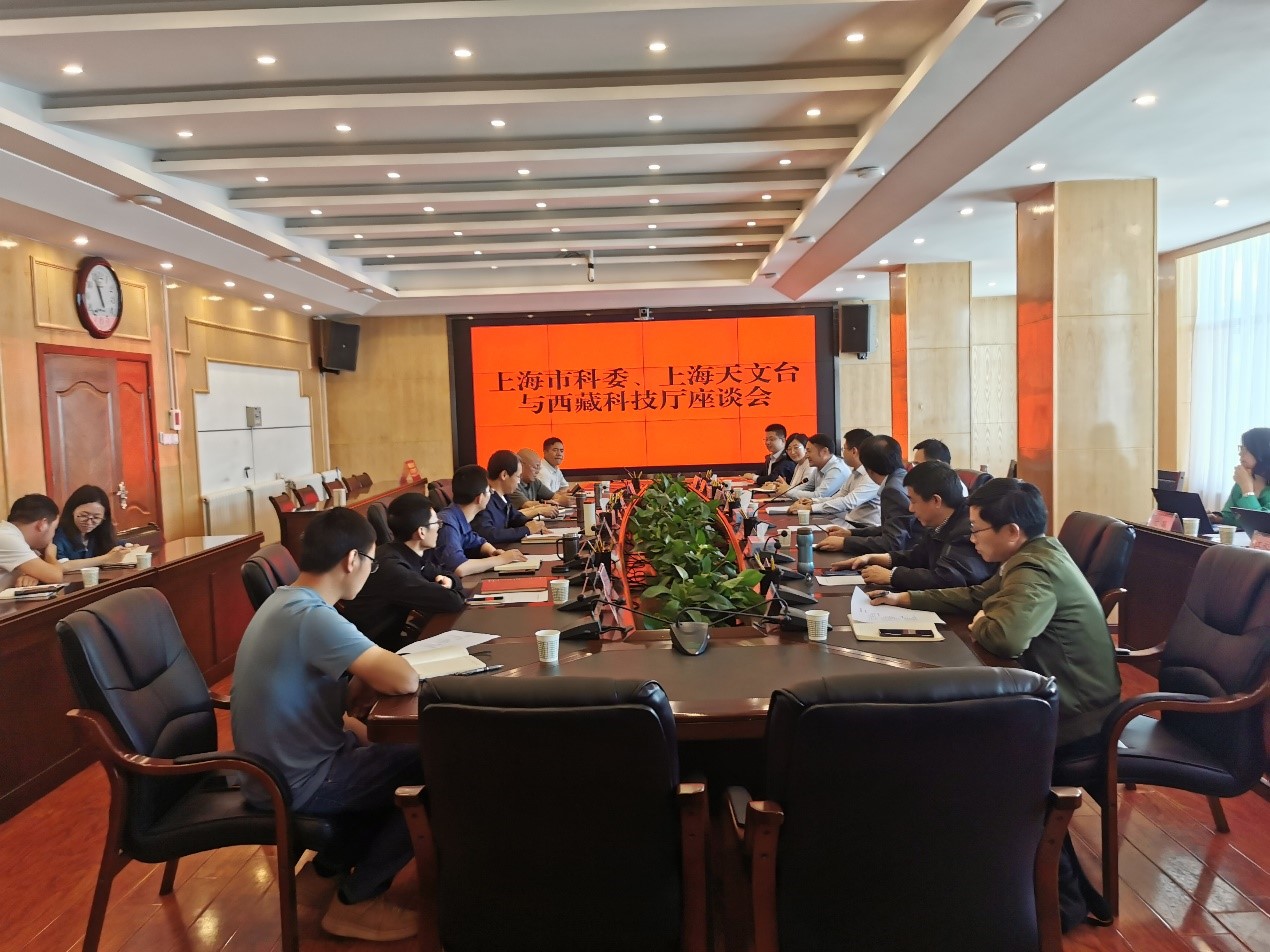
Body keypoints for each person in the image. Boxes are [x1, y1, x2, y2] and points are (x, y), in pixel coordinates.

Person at [230, 507, 422, 942]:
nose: (370, 572)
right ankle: (357, 901)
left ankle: (326, 873)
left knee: (396, 758)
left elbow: (341, 699)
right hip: (296, 781)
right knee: (439, 763)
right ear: (353, 560)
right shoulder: (310, 616)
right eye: (371, 562)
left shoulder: (285, 601)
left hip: (277, 771)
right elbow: (405, 679)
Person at [869, 478, 1120, 752]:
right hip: (1057, 695)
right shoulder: (1036, 551)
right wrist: (905, 598)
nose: (972, 538)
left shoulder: (1033, 570)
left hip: (1074, 717)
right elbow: (977, 595)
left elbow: (1005, 639)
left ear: (1012, 531)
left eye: (976, 529)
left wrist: (982, 622)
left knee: (944, 735)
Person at [832, 460, 993, 591]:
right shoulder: (941, 522)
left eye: (914, 501)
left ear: (936, 501)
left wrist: (892, 576)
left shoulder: (968, 528)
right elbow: (917, 556)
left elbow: (950, 579)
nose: (910, 508)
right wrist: (872, 558)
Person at [341, 493, 467, 649]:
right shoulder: (393, 569)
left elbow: (445, 573)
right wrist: (452, 584)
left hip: (384, 644)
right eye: (437, 523)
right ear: (421, 532)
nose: (439, 528)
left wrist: (450, 581)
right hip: (371, 651)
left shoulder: (401, 553)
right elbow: (453, 601)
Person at [814, 435, 915, 555]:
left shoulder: (892, 490)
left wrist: (845, 543)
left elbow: (892, 543)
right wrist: (851, 533)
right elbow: (889, 528)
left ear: (868, 469)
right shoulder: (901, 477)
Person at [435, 464, 527, 577]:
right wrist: (501, 559)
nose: (491, 494)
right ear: (480, 498)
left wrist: (493, 551)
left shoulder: (457, 514)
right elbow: (459, 568)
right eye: (489, 491)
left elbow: (476, 541)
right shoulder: (447, 524)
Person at [788, 428, 880, 525]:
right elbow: (839, 496)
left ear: (854, 451)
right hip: (849, 523)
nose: (842, 453)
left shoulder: (871, 476)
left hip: (864, 528)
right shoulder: (855, 472)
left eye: (844, 449)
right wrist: (812, 502)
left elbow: (848, 502)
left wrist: (810, 508)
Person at [472, 449, 547, 545]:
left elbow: (515, 517)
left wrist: (531, 523)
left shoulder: (503, 496)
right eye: (518, 476)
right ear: (504, 475)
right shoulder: (483, 499)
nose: (519, 482)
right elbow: (489, 534)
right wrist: (526, 530)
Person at [52, 485, 133, 571]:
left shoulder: (99, 532)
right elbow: (62, 566)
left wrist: (130, 547)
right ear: (72, 511)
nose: (89, 522)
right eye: (84, 515)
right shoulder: (58, 535)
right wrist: (106, 558)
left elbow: (116, 544)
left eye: (96, 517)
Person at [0, 494, 63, 589]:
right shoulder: (6, 537)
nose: (53, 535)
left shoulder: (19, 538)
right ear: (43, 524)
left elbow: (46, 572)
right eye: (54, 529)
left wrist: (34, 575)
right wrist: (50, 556)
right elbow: (56, 576)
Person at [1213, 427, 1270, 523]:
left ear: (1263, 451)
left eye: (1246, 449)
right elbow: (1231, 517)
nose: (1240, 453)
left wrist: (1247, 490)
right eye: (1241, 448)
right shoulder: (1242, 481)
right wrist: (1215, 518)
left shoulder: (1243, 482)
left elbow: (1261, 525)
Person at [772, 433, 848, 500]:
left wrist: (787, 491)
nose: (806, 455)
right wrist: (786, 490)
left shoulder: (836, 469)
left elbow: (819, 496)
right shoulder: (818, 467)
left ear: (824, 452)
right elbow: (805, 487)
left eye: (809, 451)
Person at [507, 448, 566, 515]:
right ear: (521, 466)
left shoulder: (535, 482)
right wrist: (557, 502)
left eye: (539, 468)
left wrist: (562, 499)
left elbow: (553, 496)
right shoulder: (512, 484)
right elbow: (527, 505)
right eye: (535, 467)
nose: (537, 472)